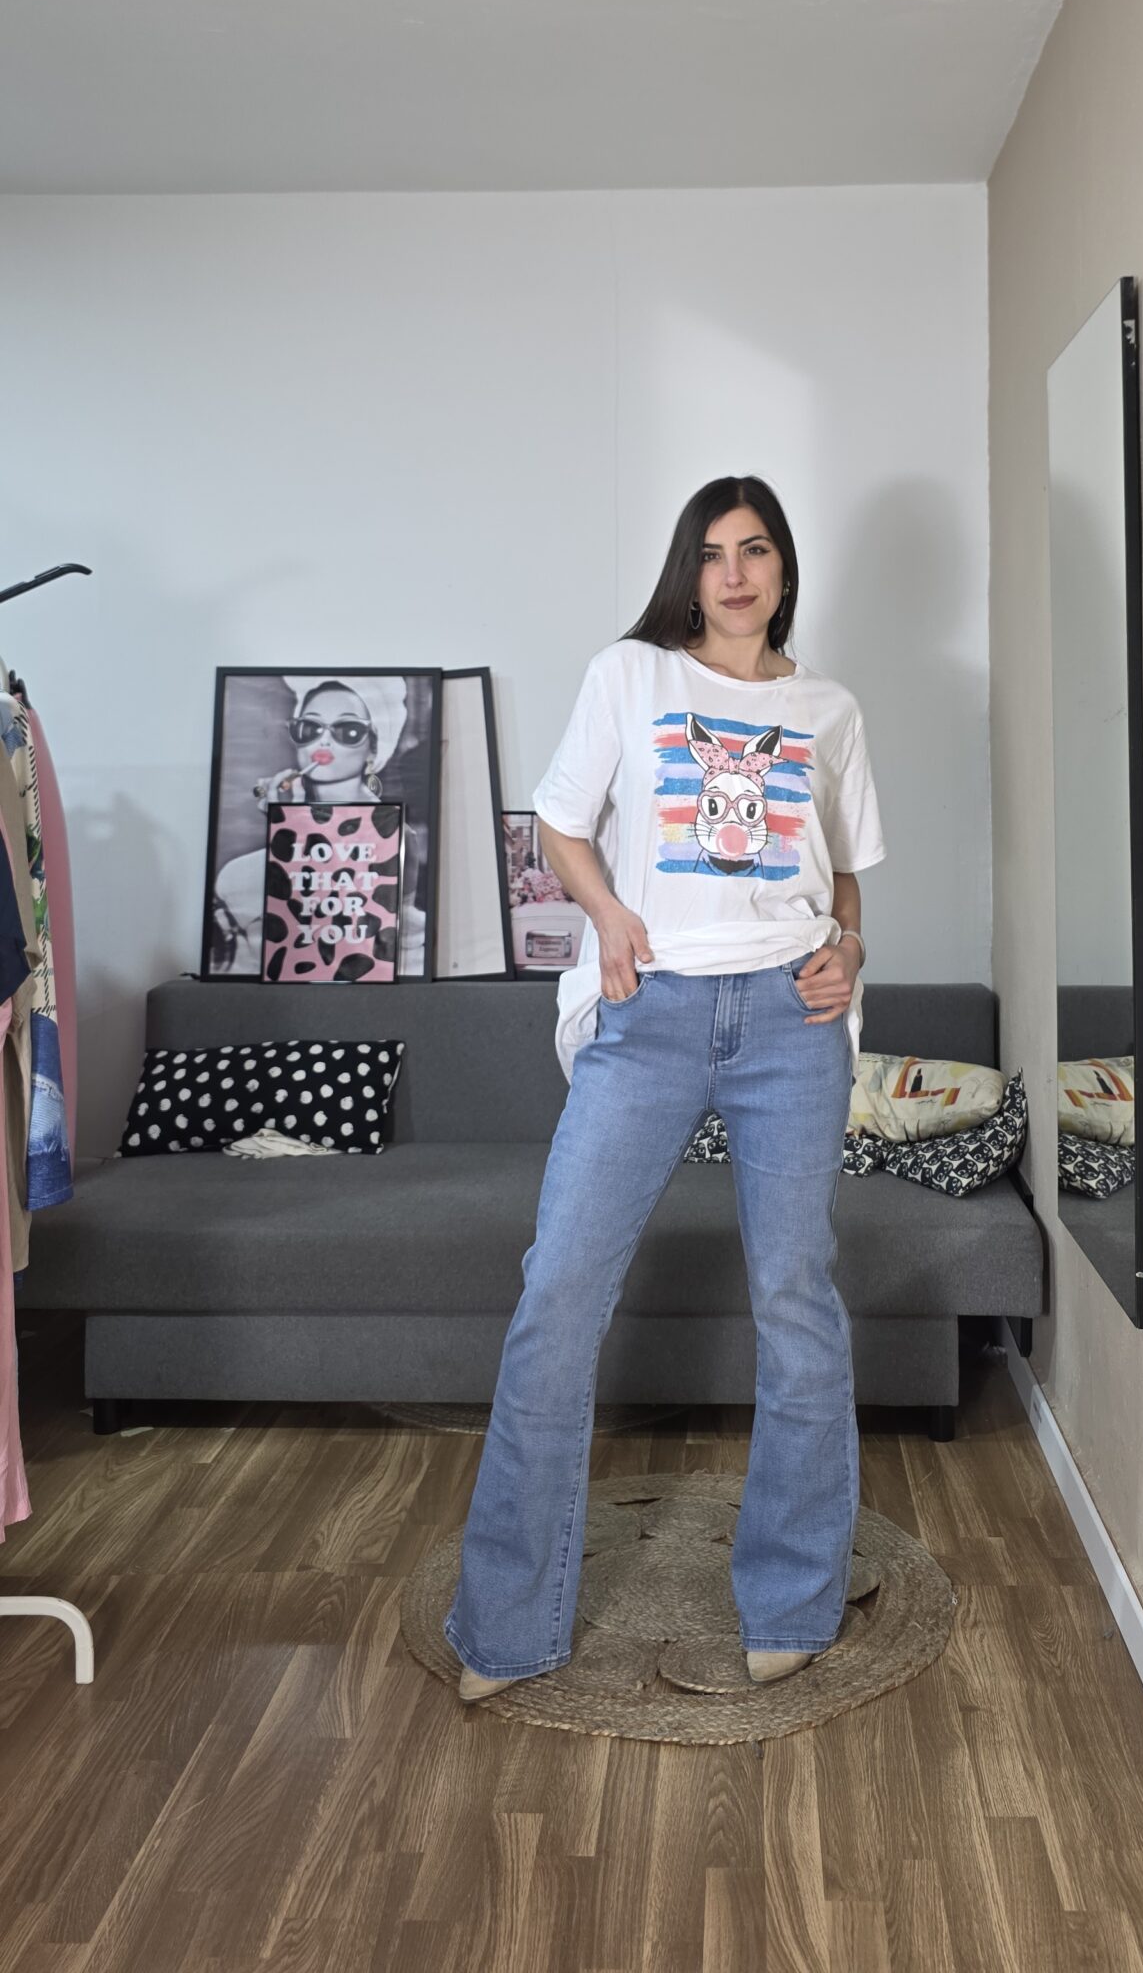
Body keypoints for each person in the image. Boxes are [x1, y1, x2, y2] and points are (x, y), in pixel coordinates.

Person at [444, 474, 886, 1703]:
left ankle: (791, 1598)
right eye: (711, 553)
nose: (733, 574)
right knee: (558, 1292)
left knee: (795, 1301)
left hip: (793, 1019)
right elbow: (558, 823)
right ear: (688, 573)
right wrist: (607, 915)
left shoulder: (829, 709)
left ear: (783, 568)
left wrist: (851, 949)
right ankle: (507, 1624)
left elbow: (843, 874)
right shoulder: (630, 676)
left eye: (755, 550)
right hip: (651, 1013)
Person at [209, 675, 427, 976]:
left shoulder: (394, 836)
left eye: (348, 730)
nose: (323, 741)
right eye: (310, 728)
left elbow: (351, 930)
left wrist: (296, 832)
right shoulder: (244, 868)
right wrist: (287, 827)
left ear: (374, 748)